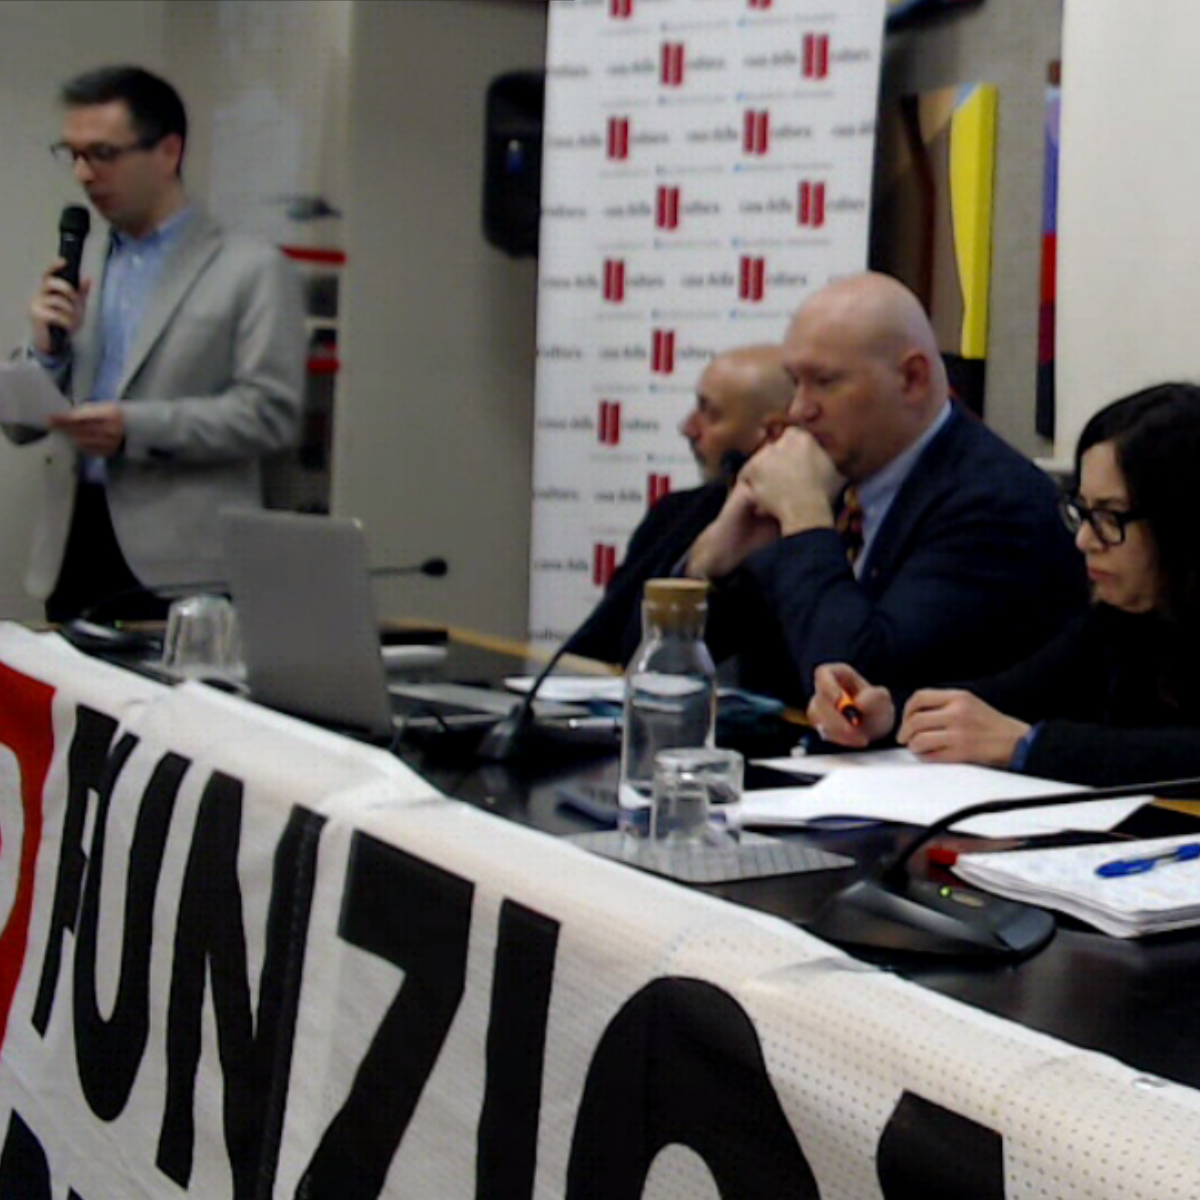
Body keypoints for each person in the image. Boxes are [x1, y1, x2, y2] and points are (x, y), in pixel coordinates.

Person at [684, 271, 1087, 704]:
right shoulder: (834, 475)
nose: (799, 410)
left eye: (825, 382)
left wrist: (805, 521)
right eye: (796, 383)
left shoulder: (994, 504)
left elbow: (857, 696)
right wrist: (709, 569)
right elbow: (676, 668)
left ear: (912, 379)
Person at [2, 65, 305, 623]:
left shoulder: (250, 268)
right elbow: (20, 426)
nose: (84, 174)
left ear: (168, 151)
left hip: (180, 563)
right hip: (72, 545)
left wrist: (135, 428)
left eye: (102, 154)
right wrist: (46, 353)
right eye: (72, 155)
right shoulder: (82, 262)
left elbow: (273, 415)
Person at [809, 382, 1200, 787]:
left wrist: (1027, 746)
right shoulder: (1116, 618)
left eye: (1109, 516)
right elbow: (1011, 696)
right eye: (1083, 511)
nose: (1085, 540)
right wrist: (889, 712)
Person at [566, 344, 792, 665]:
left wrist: (713, 576)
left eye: (709, 414)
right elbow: (600, 641)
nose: (688, 428)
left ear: (773, 433)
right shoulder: (674, 513)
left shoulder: (814, 536)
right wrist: (693, 569)